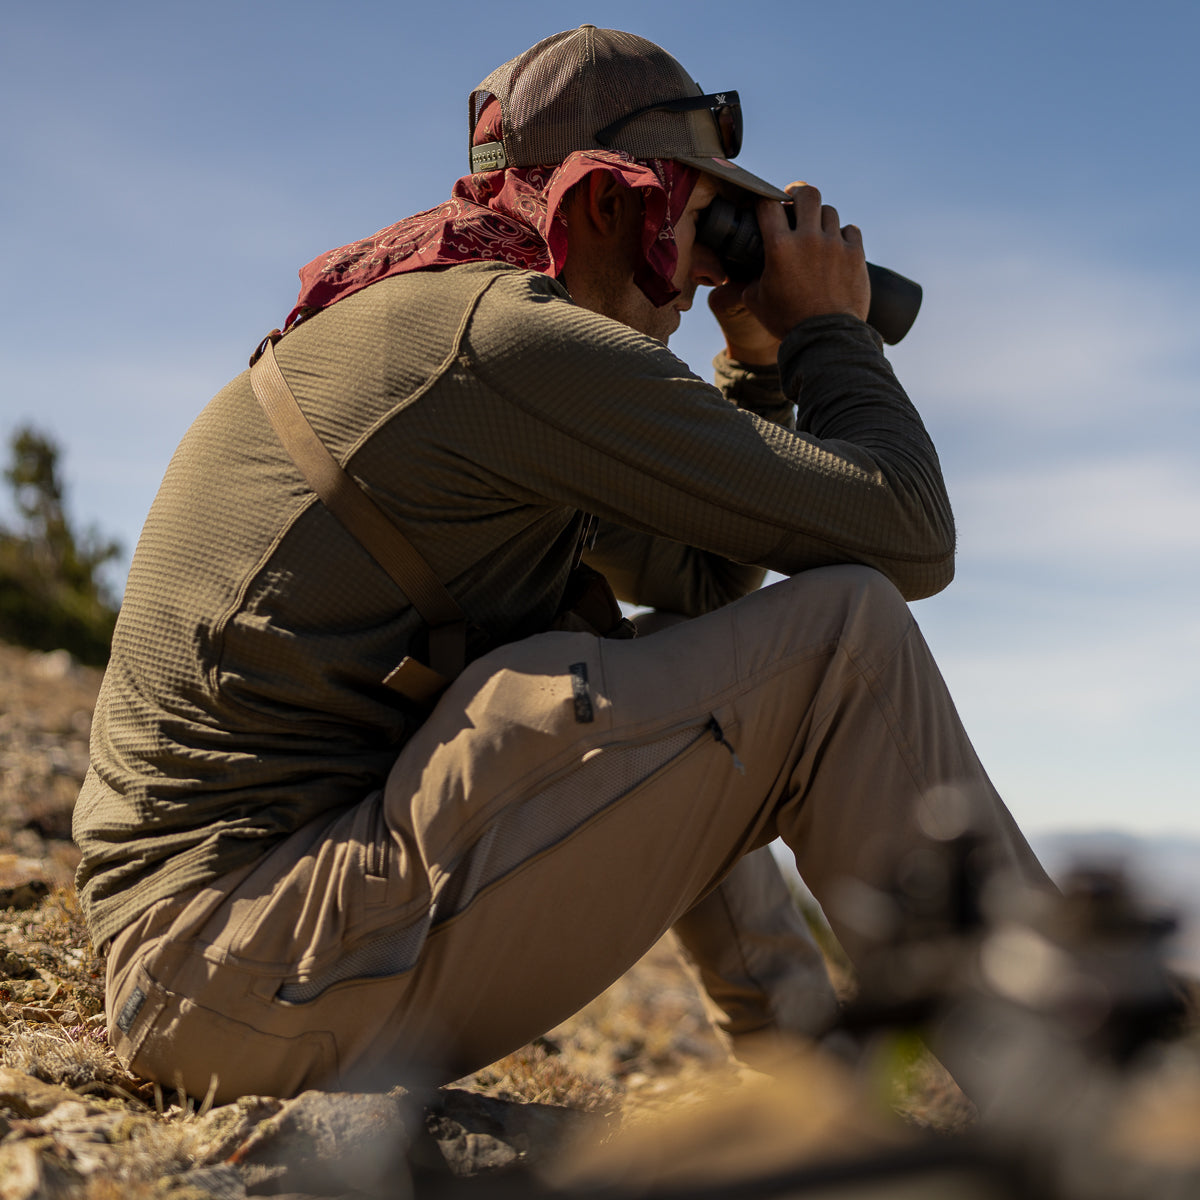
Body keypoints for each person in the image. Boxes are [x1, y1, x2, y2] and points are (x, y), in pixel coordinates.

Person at [74, 25, 1050, 1103]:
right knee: (845, 640)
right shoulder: (509, 344)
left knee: (692, 658)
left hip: (220, 963)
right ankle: (1087, 1090)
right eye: (694, 221)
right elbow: (909, 536)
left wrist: (757, 370)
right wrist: (829, 332)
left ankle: (810, 1086)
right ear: (601, 203)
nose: (697, 279)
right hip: (241, 967)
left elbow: (703, 584)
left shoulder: (444, 328)